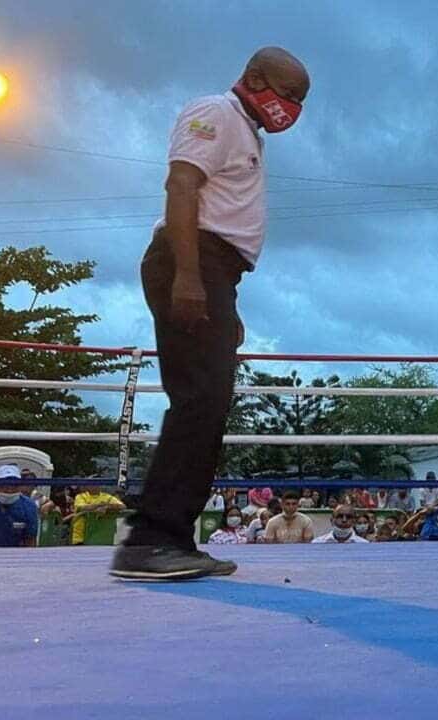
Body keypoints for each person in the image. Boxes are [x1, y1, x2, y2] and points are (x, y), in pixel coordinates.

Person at [111, 47, 310, 581]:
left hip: (215, 270)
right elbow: (182, 186)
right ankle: (151, 540)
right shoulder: (216, 113)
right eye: (286, 93)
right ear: (253, 78)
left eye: (299, 100)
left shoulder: (246, 133)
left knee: (206, 400)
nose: (290, 106)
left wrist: (223, 296)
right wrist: (189, 276)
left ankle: (168, 538)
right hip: (191, 258)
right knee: (199, 399)